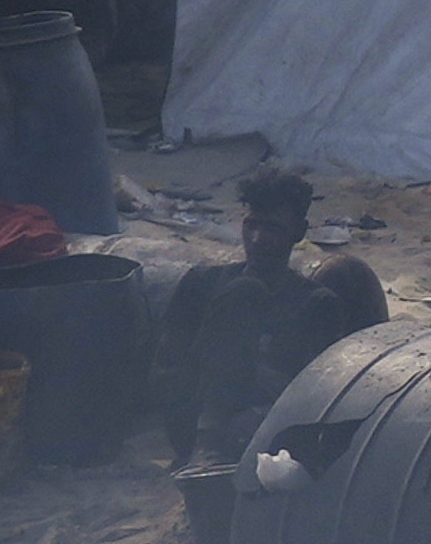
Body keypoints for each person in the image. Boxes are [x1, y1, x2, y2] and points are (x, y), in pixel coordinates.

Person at [162, 166, 388, 464]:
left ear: (299, 233)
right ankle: (207, 443)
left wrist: (258, 407)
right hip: (195, 424)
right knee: (243, 293)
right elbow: (169, 370)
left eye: (272, 229)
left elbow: (312, 395)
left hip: (262, 432)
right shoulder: (204, 283)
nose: (257, 239)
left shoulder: (315, 304)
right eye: (251, 225)